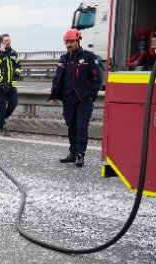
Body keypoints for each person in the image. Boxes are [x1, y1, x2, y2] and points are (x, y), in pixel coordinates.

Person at [49, 29, 103, 168]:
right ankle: (73, 153)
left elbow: (97, 78)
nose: (69, 45)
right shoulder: (63, 59)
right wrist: (54, 95)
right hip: (68, 100)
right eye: (67, 42)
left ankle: (80, 154)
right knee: (71, 127)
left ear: (78, 41)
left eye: (71, 42)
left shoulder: (89, 57)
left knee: (81, 127)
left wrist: (90, 95)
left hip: (83, 100)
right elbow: (57, 79)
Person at [0, 34, 21, 136]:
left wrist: (16, 74)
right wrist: (2, 54)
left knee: (14, 103)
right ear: (1, 43)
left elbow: (18, 65)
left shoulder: (13, 53)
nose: (8, 42)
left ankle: (3, 118)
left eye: (9, 40)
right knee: (2, 105)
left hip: (11, 84)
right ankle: (2, 127)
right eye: (6, 41)